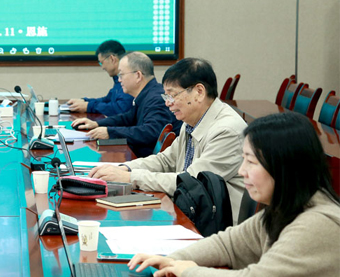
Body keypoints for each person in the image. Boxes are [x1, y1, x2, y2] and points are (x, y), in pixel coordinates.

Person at [128, 112, 340, 277]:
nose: (241, 171)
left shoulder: (317, 225)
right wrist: (172, 260)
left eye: (251, 162)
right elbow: (228, 244)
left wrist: (188, 271)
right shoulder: (287, 207)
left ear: (285, 166)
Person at [89, 58, 247, 221]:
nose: (168, 103)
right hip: (191, 211)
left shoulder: (226, 131)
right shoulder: (192, 120)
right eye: (166, 96)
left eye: (172, 95)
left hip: (215, 225)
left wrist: (131, 178)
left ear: (199, 92)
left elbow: (192, 182)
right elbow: (165, 160)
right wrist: (124, 168)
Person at [71, 51, 181, 157]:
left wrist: (110, 132)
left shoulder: (156, 98)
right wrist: (97, 124)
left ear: (138, 75)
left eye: (121, 74)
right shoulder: (147, 94)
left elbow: (151, 132)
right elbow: (127, 118)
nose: (119, 80)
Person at [66, 40, 133, 116]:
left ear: (112, 59)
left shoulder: (128, 79)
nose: (102, 67)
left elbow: (121, 108)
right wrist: (84, 101)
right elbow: (107, 100)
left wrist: (88, 106)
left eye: (101, 63)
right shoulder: (117, 79)